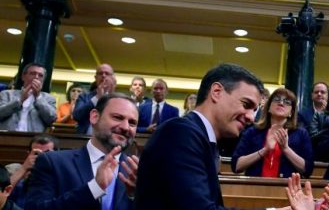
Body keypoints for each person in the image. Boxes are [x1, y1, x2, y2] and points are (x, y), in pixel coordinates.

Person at [134, 63, 264, 209]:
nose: (251, 117)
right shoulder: (179, 133)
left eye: (254, 110)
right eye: (246, 104)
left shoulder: (201, 138)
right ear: (216, 92)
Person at [25, 94, 139, 210]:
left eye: (132, 123)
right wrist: (94, 189)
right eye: (117, 117)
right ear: (94, 117)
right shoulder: (53, 162)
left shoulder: (139, 172)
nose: (126, 127)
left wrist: (134, 196)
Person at [231, 87, 313, 178]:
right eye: (277, 99)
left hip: (287, 189)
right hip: (254, 188)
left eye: (287, 102)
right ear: (269, 107)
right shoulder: (252, 131)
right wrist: (265, 150)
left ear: (291, 112)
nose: (281, 103)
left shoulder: (301, 134)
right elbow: (236, 166)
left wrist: (286, 149)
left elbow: (308, 170)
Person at [0, 63, 56, 132]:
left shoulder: (48, 98)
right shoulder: (6, 94)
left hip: (34, 139)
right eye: (33, 73)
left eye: (40, 75)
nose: (36, 77)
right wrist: (20, 100)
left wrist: (38, 98)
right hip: (8, 137)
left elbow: (51, 119)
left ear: (43, 80)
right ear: (23, 76)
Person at [6, 134, 58, 208]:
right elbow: (2, 195)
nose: (42, 158)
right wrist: (24, 168)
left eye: (47, 153)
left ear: (57, 154)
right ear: (29, 154)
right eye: (37, 153)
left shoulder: (62, 172)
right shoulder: (14, 169)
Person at [73, 63, 117, 134]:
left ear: (112, 78)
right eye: (100, 73)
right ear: (95, 77)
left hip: (110, 139)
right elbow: (77, 116)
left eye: (107, 73)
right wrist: (97, 98)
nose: (103, 75)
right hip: (85, 138)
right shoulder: (84, 97)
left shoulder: (118, 99)